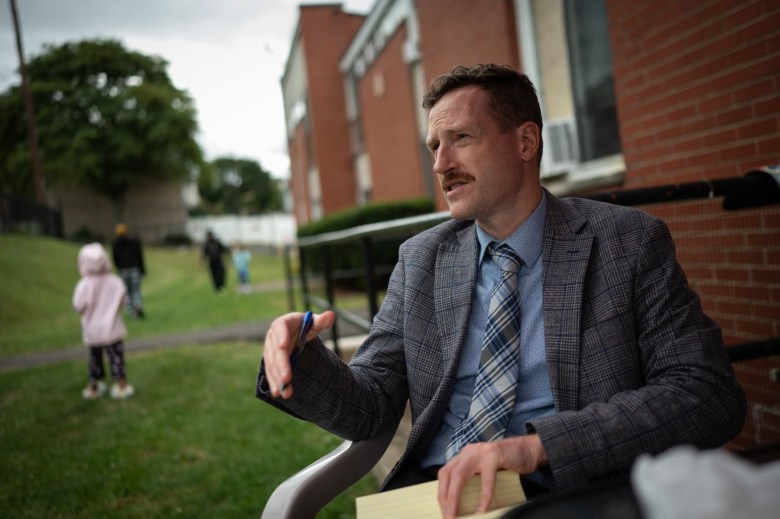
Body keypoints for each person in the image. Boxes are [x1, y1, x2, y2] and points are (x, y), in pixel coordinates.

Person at [255, 64, 746, 518]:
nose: (441, 164)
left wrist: (540, 446)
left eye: (461, 139)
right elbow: (370, 405)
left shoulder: (627, 244)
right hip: (437, 497)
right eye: (434, 146)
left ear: (526, 142)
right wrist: (303, 357)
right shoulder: (421, 260)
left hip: (572, 492)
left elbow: (707, 394)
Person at [73, 242, 135, 400]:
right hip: (113, 329)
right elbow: (124, 300)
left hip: (92, 330)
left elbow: (78, 306)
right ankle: (121, 386)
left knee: (94, 360)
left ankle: (94, 387)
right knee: (116, 358)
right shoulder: (115, 281)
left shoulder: (84, 285)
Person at [111, 223, 146, 319]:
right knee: (136, 290)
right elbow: (139, 256)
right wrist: (142, 269)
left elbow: (115, 258)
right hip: (135, 269)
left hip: (123, 271)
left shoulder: (115, 243)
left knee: (127, 292)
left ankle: (132, 312)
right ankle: (137, 305)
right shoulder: (134, 241)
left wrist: (118, 268)